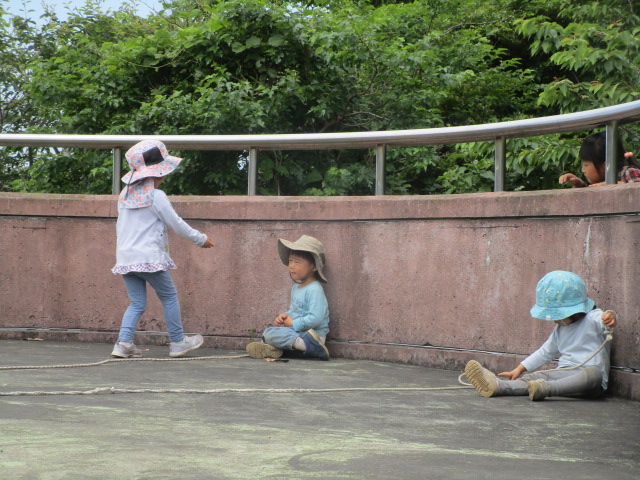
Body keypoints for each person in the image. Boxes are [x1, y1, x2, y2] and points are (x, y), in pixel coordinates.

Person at [111, 140, 214, 358]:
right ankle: (177, 342)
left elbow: (120, 226)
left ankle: (123, 343)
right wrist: (200, 239)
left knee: (137, 302)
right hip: (148, 257)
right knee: (169, 296)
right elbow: (176, 224)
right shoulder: (157, 197)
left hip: (126, 258)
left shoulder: (124, 196)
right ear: (156, 173)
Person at [465, 271, 617, 401]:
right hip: (563, 374)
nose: (556, 320)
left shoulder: (592, 318)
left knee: (593, 374)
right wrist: (520, 369)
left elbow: (605, 320)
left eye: (558, 315)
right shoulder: (560, 329)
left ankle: (546, 389)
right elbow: (545, 352)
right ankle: (499, 386)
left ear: (575, 310)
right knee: (536, 377)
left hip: (590, 384)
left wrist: (609, 317)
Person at [246, 235, 330, 360]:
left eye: (297, 262)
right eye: (290, 261)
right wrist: (286, 315)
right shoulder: (296, 288)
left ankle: (312, 347)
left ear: (313, 267)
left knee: (271, 335)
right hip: (297, 333)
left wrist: (293, 323)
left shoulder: (315, 289)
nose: (291, 266)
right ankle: (279, 348)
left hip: (313, 336)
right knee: (269, 332)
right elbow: (295, 310)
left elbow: (316, 318)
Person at [559, 131, 639, 187]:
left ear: (605, 166)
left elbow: (636, 189)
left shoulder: (628, 172)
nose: (583, 170)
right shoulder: (602, 179)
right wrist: (579, 184)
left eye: (586, 165)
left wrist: (610, 185)